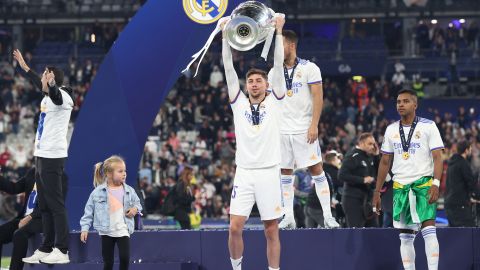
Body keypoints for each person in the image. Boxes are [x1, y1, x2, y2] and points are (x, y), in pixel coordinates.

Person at [222, 15, 285, 270]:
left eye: (259, 80)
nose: (254, 84)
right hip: (245, 172)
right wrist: (225, 35)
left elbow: (278, 65)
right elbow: (228, 67)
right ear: (246, 85)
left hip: (270, 171)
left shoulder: (275, 101)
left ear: (268, 84)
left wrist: (279, 32)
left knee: (271, 230)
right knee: (234, 226)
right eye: (250, 81)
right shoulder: (238, 103)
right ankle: (236, 268)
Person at [269, 30, 338, 229]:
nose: (277, 51)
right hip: (282, 130)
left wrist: (314, 124)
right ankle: (288, 216)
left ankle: (327, 216)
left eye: (280, 46)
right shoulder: (274, 72)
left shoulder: (310, 68)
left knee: (317, 171)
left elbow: (318, 97)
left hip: (303, 128)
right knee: (285, 174)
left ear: (291, 45)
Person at [13, 49, 74, 264]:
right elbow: (44, 89)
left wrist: (52, 86)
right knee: (45, 204)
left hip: (52, 156)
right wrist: (26, 68)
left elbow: (56, 96)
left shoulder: (63, 95)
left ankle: (63, 249)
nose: (41, 79)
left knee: (55, 203)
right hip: (41, 155)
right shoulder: (48, 96)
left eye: (44, 76)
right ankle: (46, 247)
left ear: (52, 79)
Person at [373, 89, 444, 270]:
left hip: (423, 183)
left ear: (415, 105)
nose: (401, 105)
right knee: (405, 236)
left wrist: (436, 183)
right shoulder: (390, 130)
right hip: (400, 186)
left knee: (429, 231)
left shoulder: (429, 126)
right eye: (398, 102)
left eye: (405, 101)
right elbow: (384, 162)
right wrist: (377, 191)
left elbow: (438, 157)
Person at [80, 155, 142, 270]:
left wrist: (135, 209)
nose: (124, 173)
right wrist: (85, 228)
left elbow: (138, 204)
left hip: (123, 230)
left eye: (125, 171)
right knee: (108, 262)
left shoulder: (129, 190)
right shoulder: (97, 192)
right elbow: (88, 212)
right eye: (120, 171)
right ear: (109, 174)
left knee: (125, 258)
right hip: (106, 231)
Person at [0, 168, 57, 270]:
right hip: (24, 218)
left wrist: (29, 217)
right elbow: (14, 188)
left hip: (41, 219)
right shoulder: (32, 172)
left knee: (19, 234)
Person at [338, 133, 379, 228]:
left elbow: (378, 172)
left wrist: (377, 155)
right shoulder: (352, 156)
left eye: (374, 144)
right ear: (361, 143)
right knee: (356, 231)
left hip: (368, 200)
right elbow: (341, 175)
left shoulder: (370, 156)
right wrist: (362, 180)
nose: (372, 146)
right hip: (353, 200)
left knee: (374, 230)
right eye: (370, 144)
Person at [445, 141, 480, 227]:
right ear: (466, 150)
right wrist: (477, 196)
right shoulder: (463, 164)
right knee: (470, 231)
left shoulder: (450, 164)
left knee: (455, 235)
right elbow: (471, 183)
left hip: (449, 204)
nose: (471, 151)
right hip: (460, 206)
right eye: (470, 149)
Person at [173, 165, 195, 229]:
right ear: (186, 175)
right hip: (181, 213)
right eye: (191, 175)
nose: (192, 177)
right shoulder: (181, 184)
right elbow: (181, 199)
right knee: (187, 230)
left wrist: (193, 197)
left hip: (184, 213)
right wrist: (192, 198)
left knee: (187, 230)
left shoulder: (186, 185)